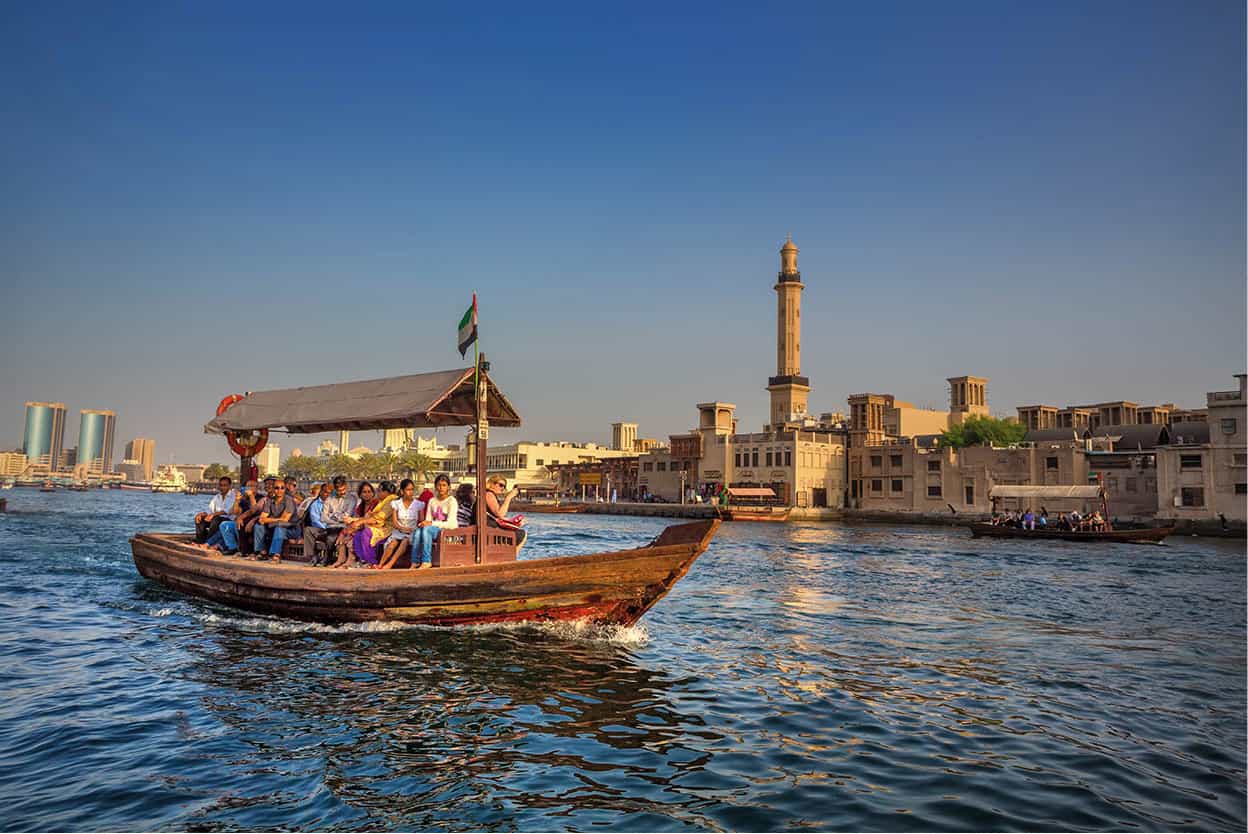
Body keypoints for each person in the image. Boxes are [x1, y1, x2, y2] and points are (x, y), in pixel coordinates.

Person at [412, 474, 459, 569]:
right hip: (434, 529)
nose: (441, 488)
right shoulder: (432, 501)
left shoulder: (452, 501)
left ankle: (426, 561)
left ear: (448, 487)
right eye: (439, 485)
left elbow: (451, 524)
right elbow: (428, 520)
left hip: (447, 531)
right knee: (417, 532)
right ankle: (415, 561)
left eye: (444, 485)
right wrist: (424, 523)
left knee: (427, 530)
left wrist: (431, 524)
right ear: (435, 486)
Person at [378, 479, 425, 570]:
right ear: (402, 491)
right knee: (392, 544)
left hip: (412, 532)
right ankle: (380, 564)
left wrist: (413, 529)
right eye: (408, 490)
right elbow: (395, 523)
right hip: (399, 530)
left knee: (404, 541)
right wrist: (404, 529)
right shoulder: (396, 504)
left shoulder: (418, 504)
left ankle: (390, 564)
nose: (410, 492)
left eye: (412, 489)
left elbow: (421, 521)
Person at [350, 481, 397, 568]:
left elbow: (379, 518)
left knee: (366, 532)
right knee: (358, 535)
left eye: (379, 491)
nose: (377, 493)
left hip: (389, 528)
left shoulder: (392, 501)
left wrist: (360, 521)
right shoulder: (382, 502)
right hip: (380, 526)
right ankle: (363, 560)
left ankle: (371, 561)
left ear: (385, 492)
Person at [331, 481, 377, 569]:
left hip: (372, 529)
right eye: (364, 492)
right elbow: (355, 522)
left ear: (373, 493)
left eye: (369, 492)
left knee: (351, 537)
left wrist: (351, 531)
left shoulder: (376, 504)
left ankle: (350, 560)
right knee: (342, 537)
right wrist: (344, 533)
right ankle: (341, 559)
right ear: (360, 494)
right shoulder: (360, 506)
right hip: (360, 527)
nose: (367, 494)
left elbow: (369, 520)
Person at [253, 480, 299, 561]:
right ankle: (261, 552)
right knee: (258, 526)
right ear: (273, 489)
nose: (279, 490)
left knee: (279, 527)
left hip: (292, 529)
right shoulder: (270, 500)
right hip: (274, 526)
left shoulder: (289, 500)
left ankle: (275, 554)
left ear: (285, 489)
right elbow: (261, 519)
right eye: (277, 488)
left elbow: (285, 520)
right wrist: (277, 519)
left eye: (282, 488)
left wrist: (269, 520)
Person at [483, 474, 526, 547]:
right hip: (489, 531)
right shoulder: (489, 494)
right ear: (492, 484)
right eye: (500, 485)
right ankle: (513, 557)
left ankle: (510, 556)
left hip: (489, 529)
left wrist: (514, 523)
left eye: (504, 486)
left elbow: (498, 516)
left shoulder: (488, 494)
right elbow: (500, 514)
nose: (502, 488)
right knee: (521, 534)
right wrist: (508, 497)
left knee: (519, 533)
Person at [237, 476, 276, 555]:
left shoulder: (278, 498)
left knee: (257, 525)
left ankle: (258, 551)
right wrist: (240, 517)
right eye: (267, 484)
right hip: (262, 519)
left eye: (271, 484)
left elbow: (272, 514)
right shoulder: (265, 499)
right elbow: (253, 510)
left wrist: (253, 520)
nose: (268, 486)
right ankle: (244, 551)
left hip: (273, 522)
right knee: (242, 522)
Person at [195, 476, 237, 543]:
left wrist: (213, 514)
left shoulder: (234, 496)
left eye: (225, 485)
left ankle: (208, 542)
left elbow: (229, 510)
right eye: (221, 485)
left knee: (216, 519)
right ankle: (200, 541)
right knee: (200, 519)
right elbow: (209, 509)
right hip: (215, 518)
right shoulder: (217, 497)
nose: (222, 487)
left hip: (228, 519)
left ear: (229, 486)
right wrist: (202, 514)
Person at [301, 483, 334, 566]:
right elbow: (315, 521)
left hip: (333, 528)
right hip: (321, 528)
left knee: (332, 534)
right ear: (321, 492)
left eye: (330, 493)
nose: (327, 495)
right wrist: (326, 528)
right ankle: (312, 557)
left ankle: (327, 558)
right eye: (326, 492)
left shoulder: (333, 502)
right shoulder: (315, 504)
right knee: (308, 530)